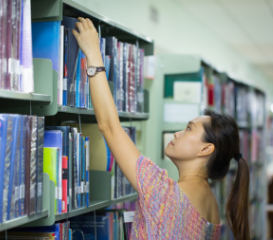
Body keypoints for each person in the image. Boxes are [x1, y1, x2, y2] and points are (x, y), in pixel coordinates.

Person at [72, 17, 250, 240]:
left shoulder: (163, 193)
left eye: (188, 129)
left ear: (206, 149)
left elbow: (109, 127)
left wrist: (93, 56)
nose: (177, 133)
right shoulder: (211, 207)